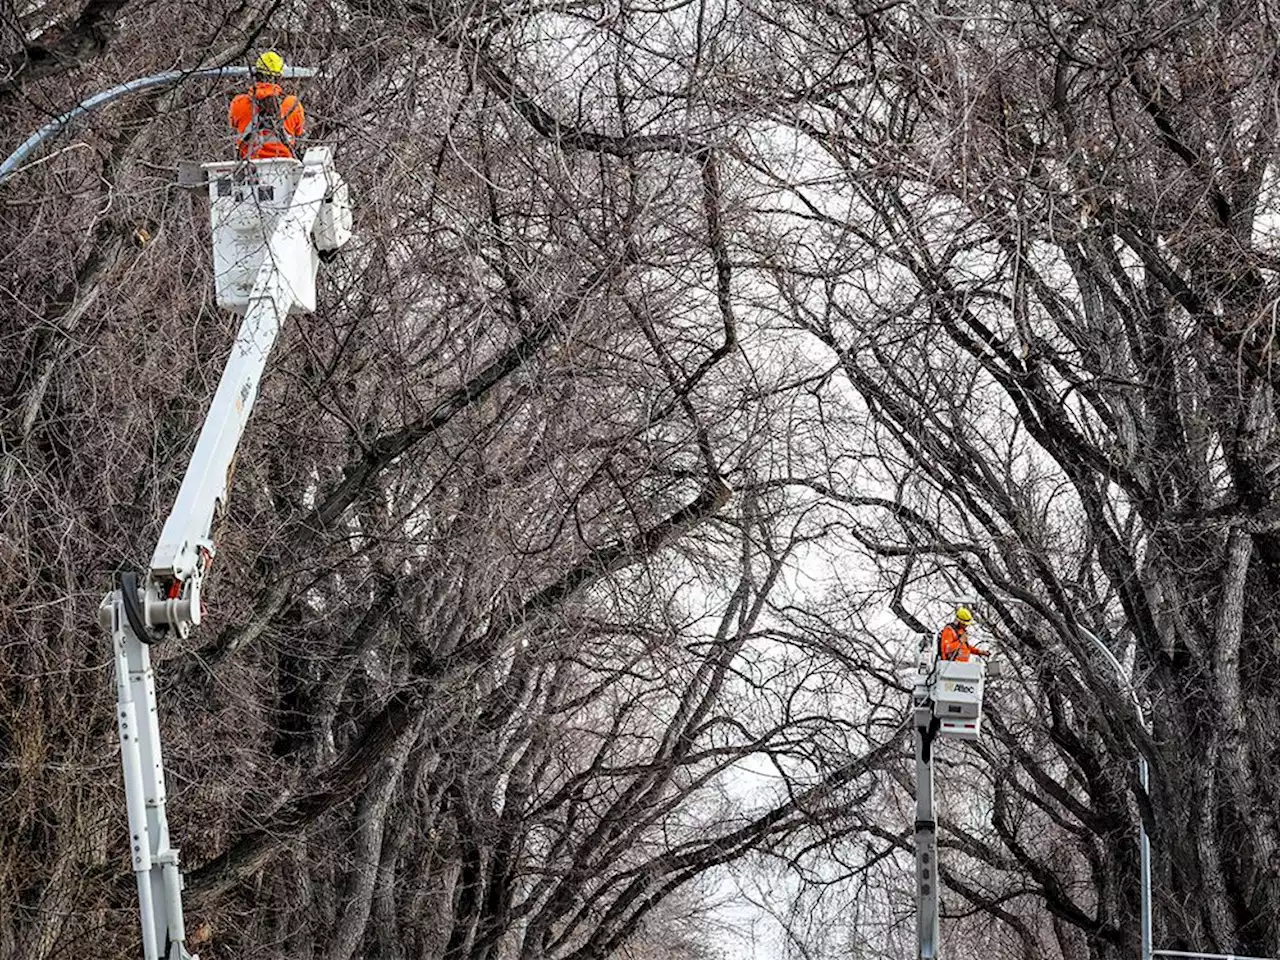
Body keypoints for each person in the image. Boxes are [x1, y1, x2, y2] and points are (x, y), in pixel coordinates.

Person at [229, 51, 305, 160]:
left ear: (256, 75)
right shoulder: (292, 104)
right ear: (279, 77)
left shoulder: (239, 102)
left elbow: (234, 125)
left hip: (249, 166)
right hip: (285, 166)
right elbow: (298, 131)